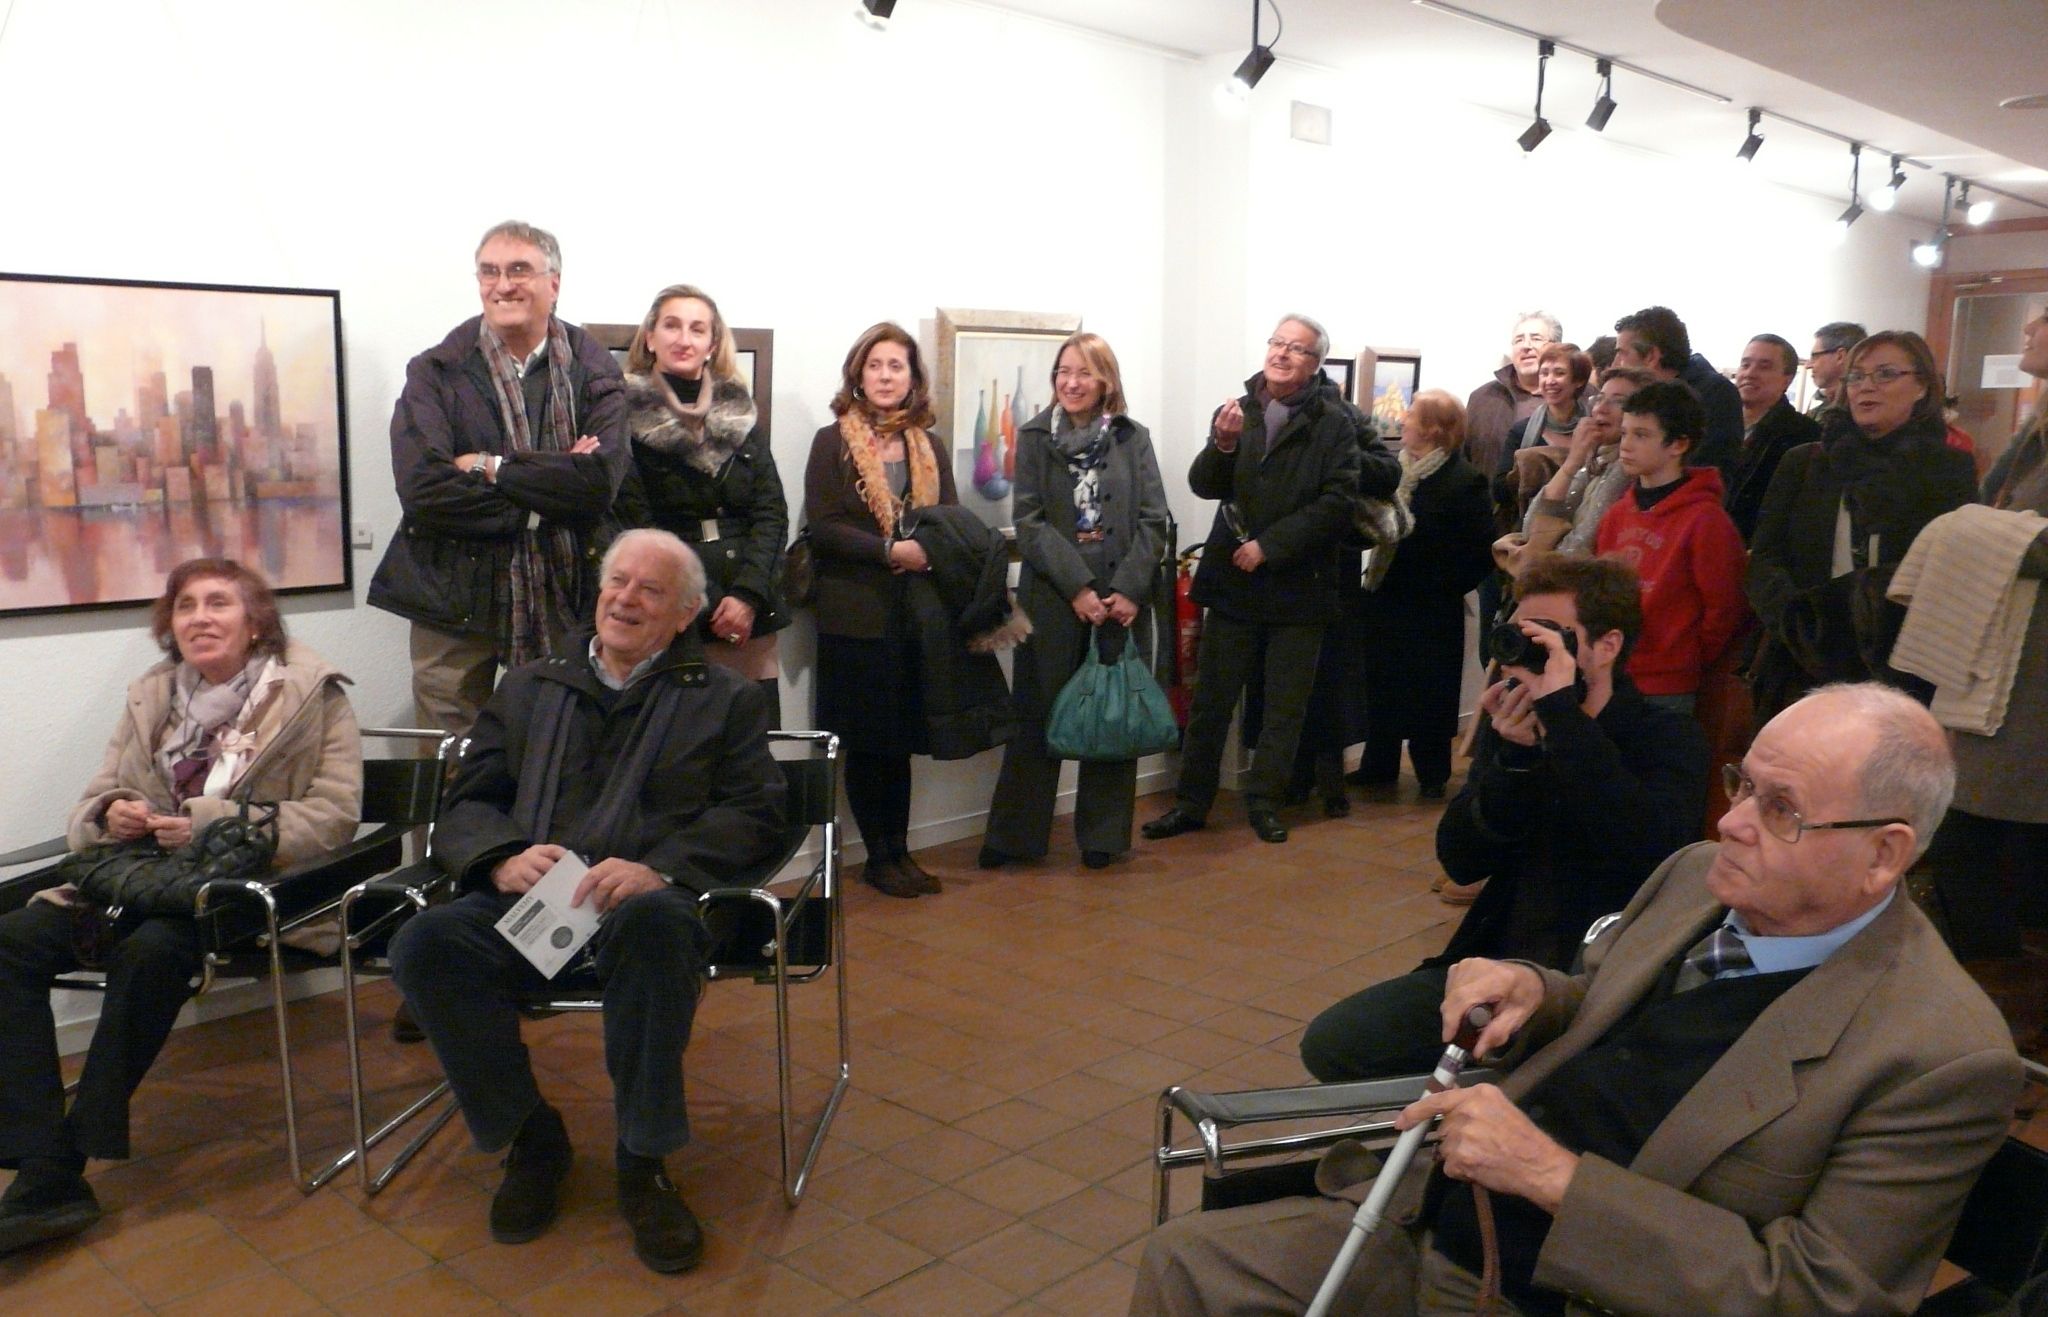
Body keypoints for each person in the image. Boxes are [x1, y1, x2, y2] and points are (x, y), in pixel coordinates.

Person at [1134, 683, 2020, 1317]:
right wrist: (1538, 991)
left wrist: (1554, 1178)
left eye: (1781, 808)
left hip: (1573, 1288)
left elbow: (1822, 1294)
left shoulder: (1938, 1051)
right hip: (1434, 1218)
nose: (1733, 820)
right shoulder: (1692, 881)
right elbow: (1611, 999)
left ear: (1883, 855)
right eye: (1742, 781)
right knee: (1189, 1262)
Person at [387, 530, 784, 1276]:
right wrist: (500, 856)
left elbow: (755, 812)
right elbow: (469, 801)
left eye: (649, 589)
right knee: (424, 944)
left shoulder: (725, 698)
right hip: (534, 901)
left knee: (657, 922)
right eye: (616, 582)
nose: (626, 599)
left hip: (652, 903)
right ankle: (532, 1137)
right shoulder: (532, 685)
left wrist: (661, 866)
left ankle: (644, 1158)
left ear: (687, 612)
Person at [0, 559, 361, 1254]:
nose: (199, 617)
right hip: (130, 880)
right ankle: (43, 1154)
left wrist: (211, 820)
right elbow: (94, 798)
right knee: (9, 939)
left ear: (255, 621)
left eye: (219, 602)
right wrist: (117, 811)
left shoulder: (313, 694)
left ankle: (58, 1164)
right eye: (186, 604)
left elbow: (335, 817)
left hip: (232, 892)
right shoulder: (152, 694)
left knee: (154, 950)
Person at [1299, 554, 1706, 1082]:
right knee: (1338, 1043)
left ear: (1608, 645)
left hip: (1595, 981)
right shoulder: (1523, 725)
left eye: (1550, 639)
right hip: (1495, 961)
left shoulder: (1665, 736)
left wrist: (1563, 719)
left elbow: (1645, 847)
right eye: (1521, 635)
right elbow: (1462, 860)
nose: (1530, 654)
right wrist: (1514, 761)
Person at [368, 219, 630, 737]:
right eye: (489, 271)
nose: (502, 284)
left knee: (561, 747)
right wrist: (548, 496)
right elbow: (425, 488)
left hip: (565, 594)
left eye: (519, 270)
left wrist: (491, 467)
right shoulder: (436, 370)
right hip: (455, 597)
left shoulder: (593, 367)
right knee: (448, 761)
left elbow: (598, 484)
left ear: (554, 284)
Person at [1143, 314, 1392, 846]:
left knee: (1284, 706)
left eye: (1297, 349)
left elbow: (1336, 502)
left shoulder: (1335, 422)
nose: (1281, 354)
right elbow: (1205, 484)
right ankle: (1190, 803)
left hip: (1301, 584)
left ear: (1316, 363)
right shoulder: (1236, 411)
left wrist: (1271, 547)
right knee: (1212, 700)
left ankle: (1265, 801)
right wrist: (1223, 445)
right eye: (1277, 343)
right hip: (1234, 581)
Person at [980, 333, 1169, 871]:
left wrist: (1129, 590)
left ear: (1105, 380)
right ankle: (1015, 837)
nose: (1071, 382)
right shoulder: (1037, 435)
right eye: (1063, 371)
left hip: (1124, 600)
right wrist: (1080, 589)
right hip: (1056, 599)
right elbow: (1030, 522)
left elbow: (1155, 520)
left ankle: (1103, 839)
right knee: (1037, 715)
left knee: (1113, 715)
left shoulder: (1133, 438)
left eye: (1084, 372)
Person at [803, 323, 962, 898]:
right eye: (876, 365)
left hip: (915, 616)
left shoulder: (929, 444)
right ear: (859, 375)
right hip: (855, 617)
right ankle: (877, 858)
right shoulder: (833, 441)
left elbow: (952, 521)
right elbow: (823, 527)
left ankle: (900, 851)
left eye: (898, 366)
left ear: (913, 378)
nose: (887, 375)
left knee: (901, 744)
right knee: (868, 743)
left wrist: (929, 552)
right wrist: (889, 550)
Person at [1747, 330, 1978, 725]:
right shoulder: (1804, 462)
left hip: (1901, 669)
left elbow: (1952, 575)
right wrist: (1797, 621)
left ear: (1921, 386)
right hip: (1803, 664)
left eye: (1885, 374)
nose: (1866, 387)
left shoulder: (1947, 470)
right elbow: (1765, 558)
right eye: (1857, 376)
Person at [1918, 308, 2048, 963]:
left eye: (2043, 319)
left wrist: (1981, 532)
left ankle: (2013, 1000)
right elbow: (1991, 507)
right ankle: (1993, 986)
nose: (2028, 328)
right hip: (2000, 655)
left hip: (2037, 674)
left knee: (2006, 842)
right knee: (1964, 832)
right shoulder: (2034, 423)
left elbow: (2002, 524)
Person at [613, 283, 788, 712]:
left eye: (697, 328)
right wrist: (703, 599)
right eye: (671, 326)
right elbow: (636, 522)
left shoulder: (741, 412)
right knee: (678, 749)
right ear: (650, 338)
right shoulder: (620, 413)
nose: (683, 338)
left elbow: (771, 514)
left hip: (750, 609)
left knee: (752, 748)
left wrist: (746, 597)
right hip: (671, 604)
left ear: (712, 343)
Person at [1351, 391, 1494, 800]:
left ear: (1433, 428)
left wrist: (1441, 586)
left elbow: (1480, 552)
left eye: (1411, 414)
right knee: (1380, 684)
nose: (1403, 419)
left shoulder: (1464, 481)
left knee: (1432, 691)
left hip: (1432, 608)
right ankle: (1378, 765)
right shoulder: (1393, 473)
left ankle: (1432, 773)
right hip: (1385, 597)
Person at [1595, 382, 1749, 715]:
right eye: (1624, 434)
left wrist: (1683, 657)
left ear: (1678, 444)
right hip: (1612, 671)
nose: (1626, 446)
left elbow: (1724, 608)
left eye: (1641, 435)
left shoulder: (1706, 520)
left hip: (1668, 683)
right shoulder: (1618, 514)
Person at [1510, 366, 1655, 564]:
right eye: (1600, 398)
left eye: (1618, 401)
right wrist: (1573, 460)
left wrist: (1538, 556)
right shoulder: (1596, 460)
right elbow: (1530, 527)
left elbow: (1578, 550)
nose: (1601, 408)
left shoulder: (1626, 469)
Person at [1612, 305, 1742, 478]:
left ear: (1651, 356)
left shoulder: (1715, 395)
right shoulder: (1650, 395)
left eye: (1622, 354)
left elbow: (1709, 468)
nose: (1616, 364)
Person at [1727, 333, 1820, 543]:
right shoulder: (1717, 426)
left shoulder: (1804, 436)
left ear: (1786, 379)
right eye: (1745, 364)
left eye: (1764, 366)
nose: (1750, 374)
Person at [1495, 342, 1592, 517]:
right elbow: (1499, 490)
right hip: (1533, 525)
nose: (1549, 381)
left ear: (1579, 381)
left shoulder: (1593, 429)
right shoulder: (1521, 431)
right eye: (1544, 373)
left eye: (1559, 373)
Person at [1464, 311, 1561, 480]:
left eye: (1536, 338)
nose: (1526, 346)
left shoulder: (1579, 398)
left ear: (1557, 347)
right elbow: (1465, 459)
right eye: (1519, 340)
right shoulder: (1483, 398)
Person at [1808, 320, 1866, 414]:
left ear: (1840, 356)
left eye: (1815, 357)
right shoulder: (1819, 410)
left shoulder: (1862, 413)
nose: (1808, 365)